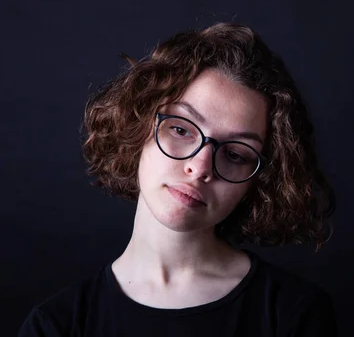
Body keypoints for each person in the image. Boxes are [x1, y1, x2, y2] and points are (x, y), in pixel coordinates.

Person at [18, 22, 336, 336]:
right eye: (181, 129)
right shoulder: (56, 325)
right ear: (138, 124)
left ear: (258, 182)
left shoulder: (294, 314)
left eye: (236, 155)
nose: (200, 167)